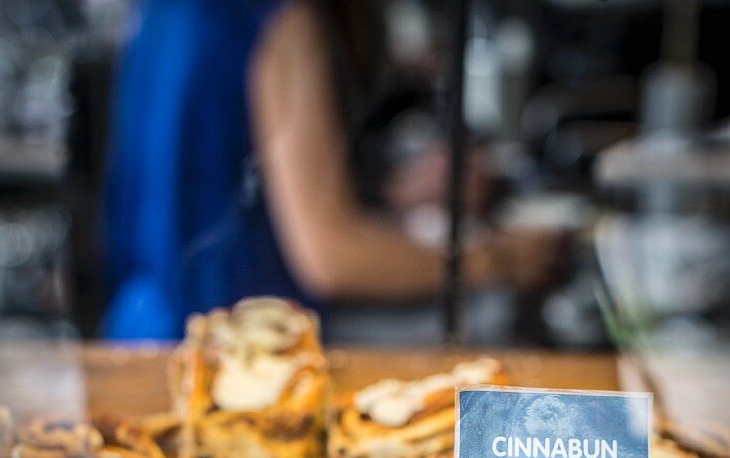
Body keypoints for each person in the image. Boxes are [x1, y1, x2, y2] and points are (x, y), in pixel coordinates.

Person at [103, 0, 561, 339]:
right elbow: (329, 257)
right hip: (244, 354)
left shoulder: (161, 9)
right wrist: (501, 259)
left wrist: (389, 193)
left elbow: (209, 180)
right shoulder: (283, 20)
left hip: (138, 332)